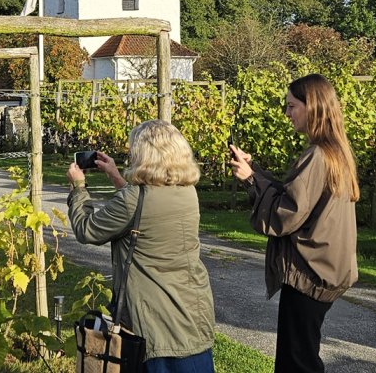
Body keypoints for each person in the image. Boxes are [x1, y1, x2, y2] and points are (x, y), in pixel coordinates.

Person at [229, 73, 358, 373]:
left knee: (296, 362)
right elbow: (295, 196)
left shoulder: (317, 156)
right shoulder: (335, 151)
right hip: (325, 271)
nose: (287, 113)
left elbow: (286, 215)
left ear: (311, 106)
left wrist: (250, 180)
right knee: (302, 356)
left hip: (309, 273)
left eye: (291, 105)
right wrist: (256, 171)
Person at [66, 119, 216, 373]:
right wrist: (115, 176)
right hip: (190, 311)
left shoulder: (134, 198)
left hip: (154, 321)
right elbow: (146, 211)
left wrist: (79, 188)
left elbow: (87, 229)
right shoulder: (187, 191)